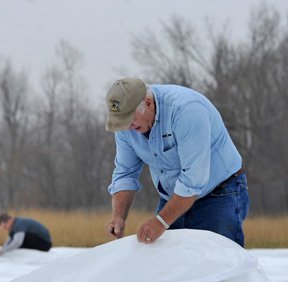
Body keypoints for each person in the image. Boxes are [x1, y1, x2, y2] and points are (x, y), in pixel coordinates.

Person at [104, 77, 249, 247]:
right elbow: (125, 173)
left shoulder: (187, 111)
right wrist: (118, 217)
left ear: (148, 103)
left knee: (217, 261)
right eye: (122, 121)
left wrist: (161, 222)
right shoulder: (126, 127)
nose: (127, 126)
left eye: (130, 118)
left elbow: (193, 179)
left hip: (219, 193)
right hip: (174, 196)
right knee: (170, 267)